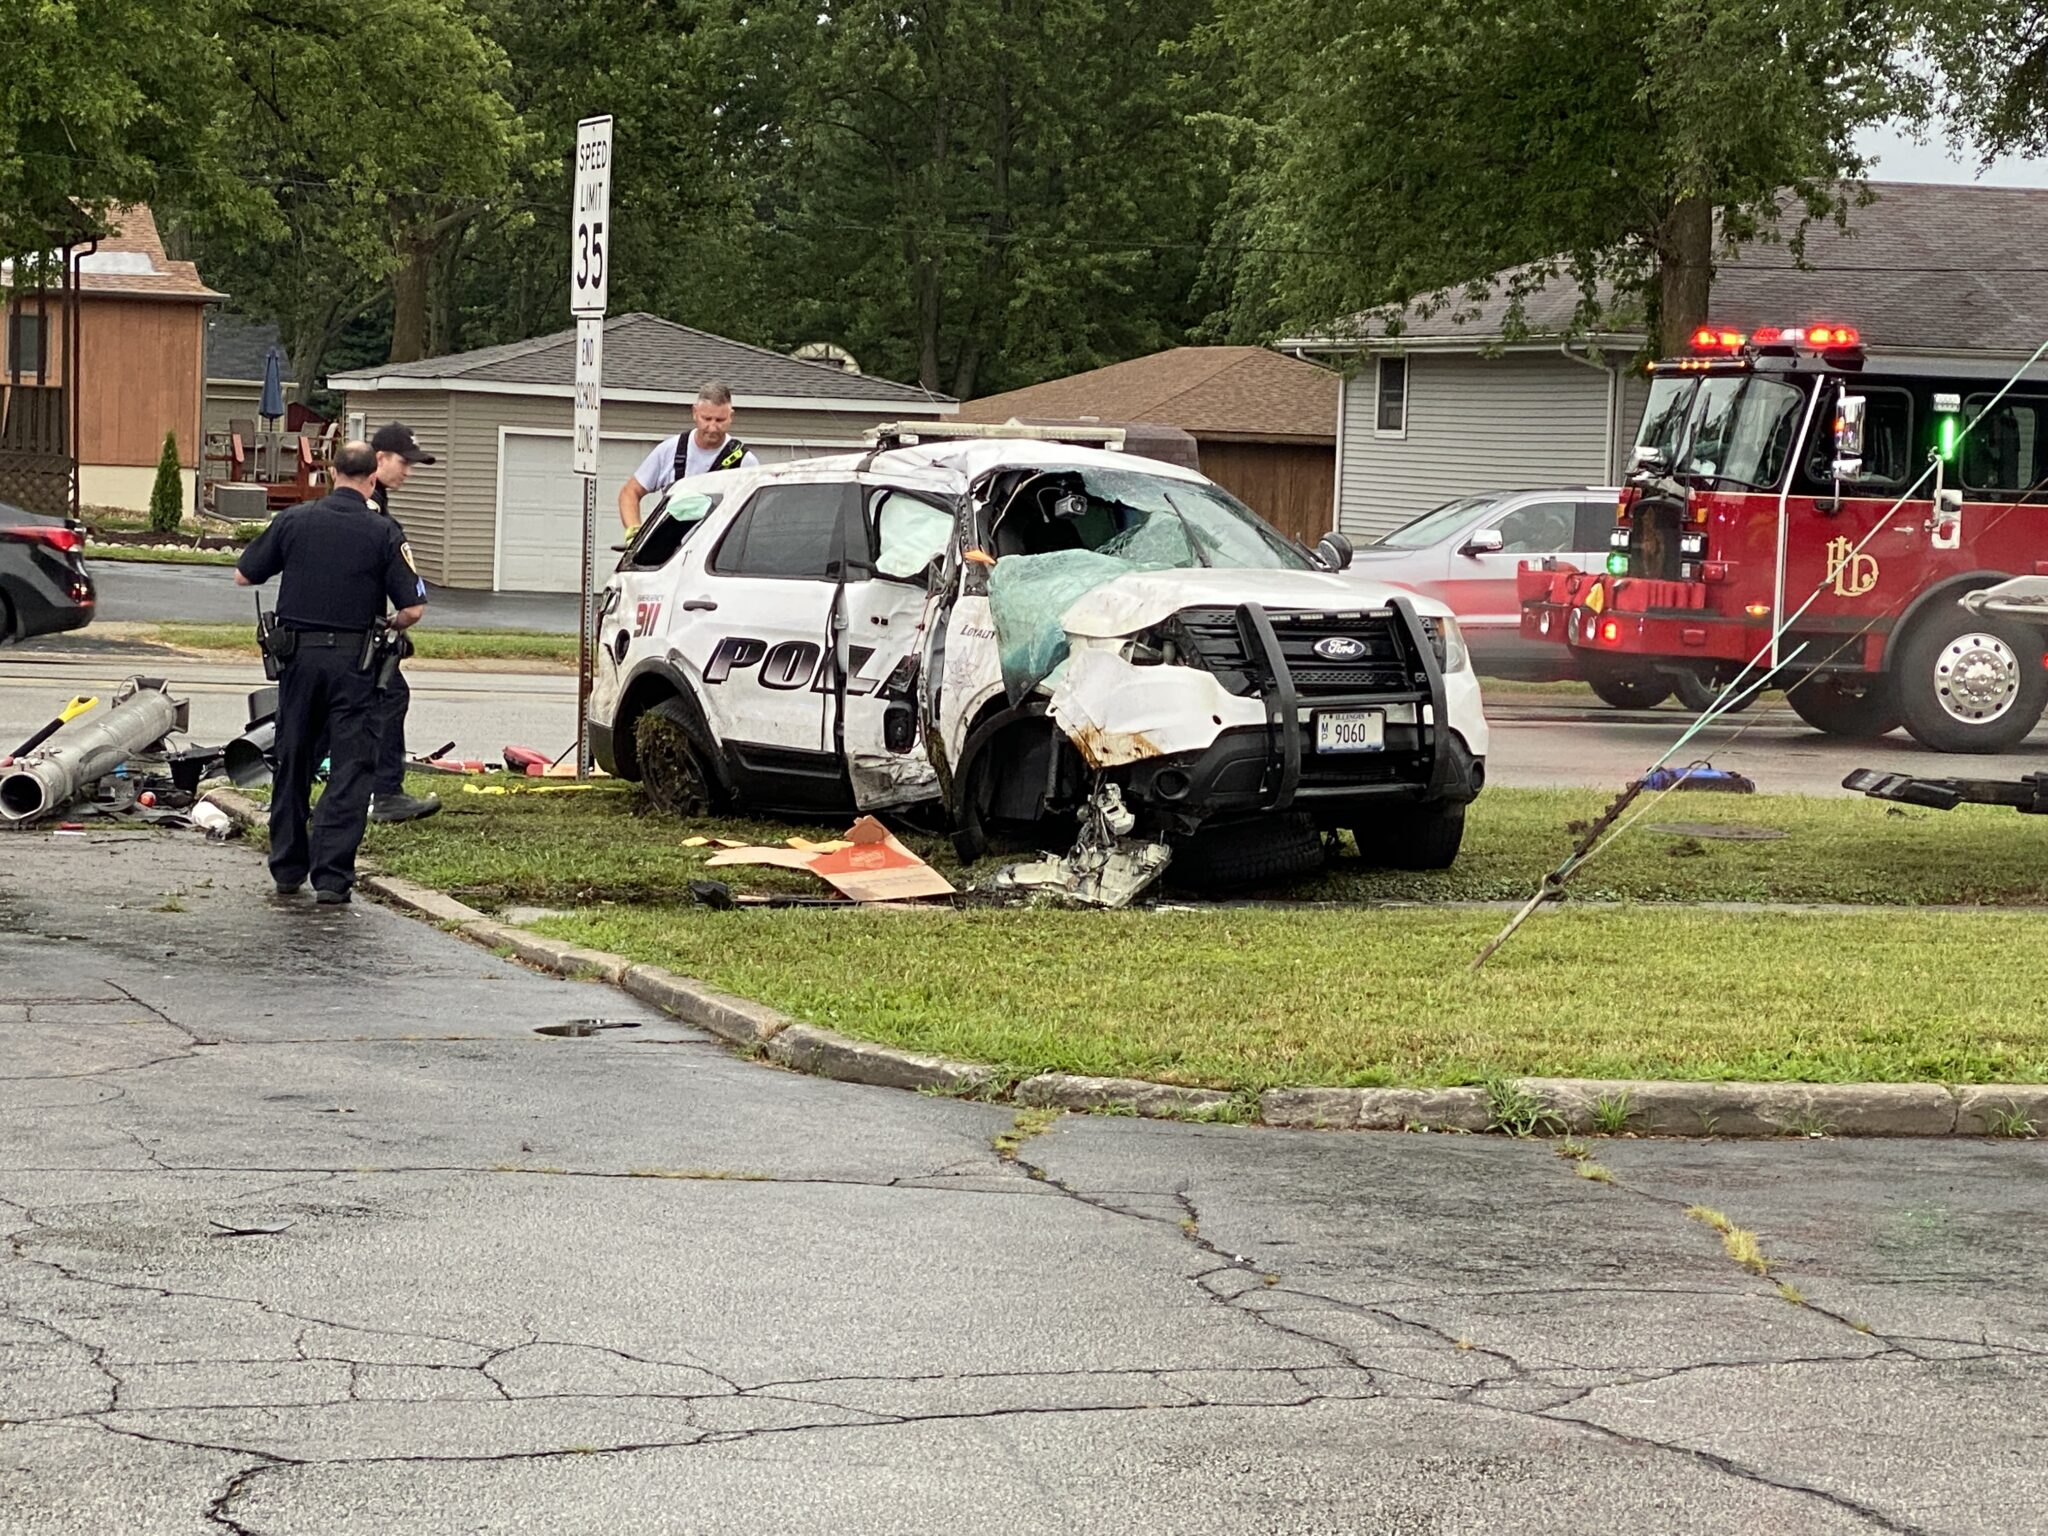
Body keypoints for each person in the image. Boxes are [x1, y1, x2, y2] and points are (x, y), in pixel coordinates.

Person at [235, 440, 427, 906]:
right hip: (354, 665)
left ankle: (286, 867)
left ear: (331, 472)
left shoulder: (295, 520)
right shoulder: (383, 531)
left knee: (294, 757)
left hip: (297, 662)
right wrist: (391, 623)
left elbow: (245, 575)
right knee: (350, 766)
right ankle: (331, 878)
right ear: (371, 477)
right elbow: (413, 608)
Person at [364, 422, 442, 824]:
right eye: (403, 462)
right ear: (379, 460)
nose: (408, 471)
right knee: (390, 697)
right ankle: (387, 793)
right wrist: (394, 625)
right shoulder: (375, 514)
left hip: (324, 631)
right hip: (362, 634)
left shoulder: (350, 502)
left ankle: (293, 792)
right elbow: (411, 604)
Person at [616, 380, 759, 534]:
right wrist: (633, 532)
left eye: (720, 420)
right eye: (707, 419)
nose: (712, 427)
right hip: (671, 553)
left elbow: (756, 513)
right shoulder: (670, 450)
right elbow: (630, 492)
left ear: (731, 417)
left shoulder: (744, 462)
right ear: (695, 413)